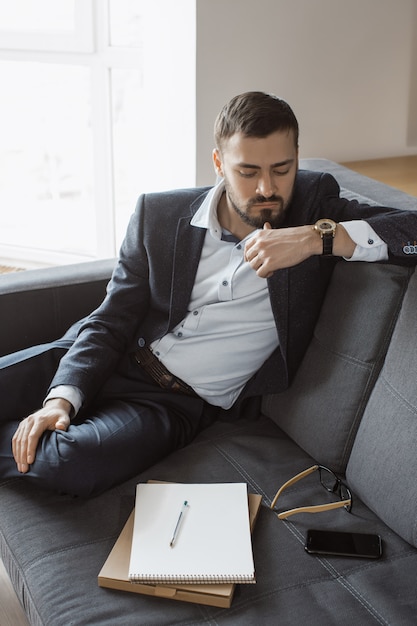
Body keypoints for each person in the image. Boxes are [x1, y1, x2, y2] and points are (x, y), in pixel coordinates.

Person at [1, 91, 417, 497]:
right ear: (219, 163)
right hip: (107, 355)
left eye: (282, 168)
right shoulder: (158, 215)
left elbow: (410, 230)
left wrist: (316, 238)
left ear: (297, 157)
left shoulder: (314, 206)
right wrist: (61, 400)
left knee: (71, 464)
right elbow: (112, 318)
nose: (266, 188)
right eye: (248, 171)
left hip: (169, 405)